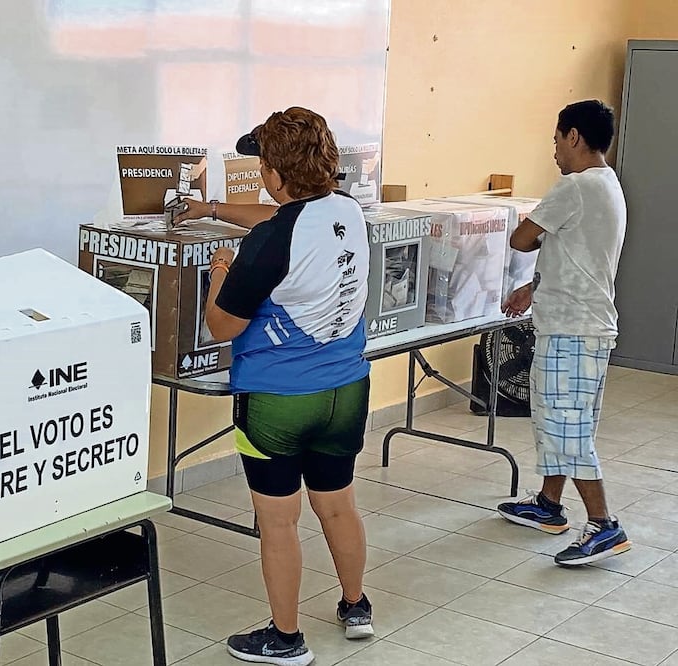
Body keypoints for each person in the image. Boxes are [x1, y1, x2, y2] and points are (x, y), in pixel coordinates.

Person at [175, 107, 373, 665]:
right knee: (338, 505)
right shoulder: (347, 210)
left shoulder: (267, 243)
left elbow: (222, 325)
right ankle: (355, 606)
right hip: (345, 391)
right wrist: (212, 209)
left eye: (263, 164)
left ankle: (285, 639)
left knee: (279, 521)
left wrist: (221, 270)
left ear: (276, 174)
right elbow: (283, 217)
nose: (260, 172)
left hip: (276, 401)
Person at [498, 99, 632, 566]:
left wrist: (535, 237)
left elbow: (520, 239)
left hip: (572, 331)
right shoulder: (608, 183)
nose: (554, 150)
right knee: (563, 420)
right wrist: (534, 287)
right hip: (584, 324)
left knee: (568, 429)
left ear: (574, 136)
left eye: (557, 140)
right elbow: (578, 255)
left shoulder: (574, 186)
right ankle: (548, 504)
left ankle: (604, 525)